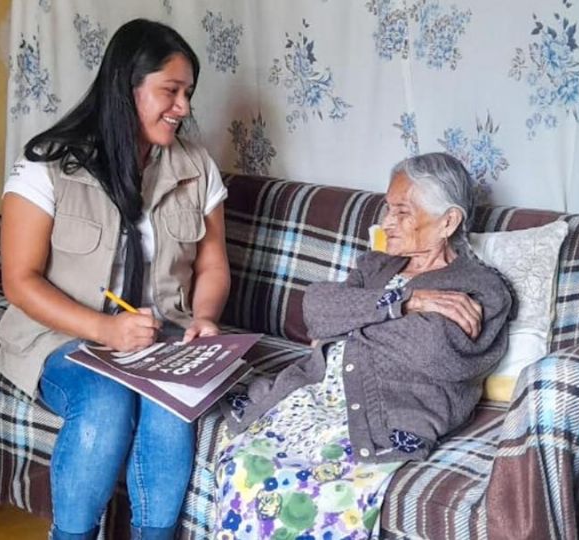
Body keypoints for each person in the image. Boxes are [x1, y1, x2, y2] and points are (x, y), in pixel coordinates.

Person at [0, 19, 231, 540]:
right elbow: (20, 281)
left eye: (188, 93)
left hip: (158, 339)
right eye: (170, 90)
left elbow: (212, 265)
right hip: (58, 338)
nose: (184, 107)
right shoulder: (48, 165)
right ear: (126, 87)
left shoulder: (196, 167)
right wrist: (105, 333)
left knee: (171, 406)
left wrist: (206, 317)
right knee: (105, 399)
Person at [214, 153, 513, 538]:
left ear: (448, 221)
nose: (386, 223)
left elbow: (436, 353)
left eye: (401, 212)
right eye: (388, 208)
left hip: (388, 416)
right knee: (243, 462)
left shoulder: (481, 288)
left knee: (319, 491)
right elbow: (317, 307)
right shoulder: (378, 266)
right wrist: (404, 304)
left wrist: (349, 324)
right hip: (315, 397)